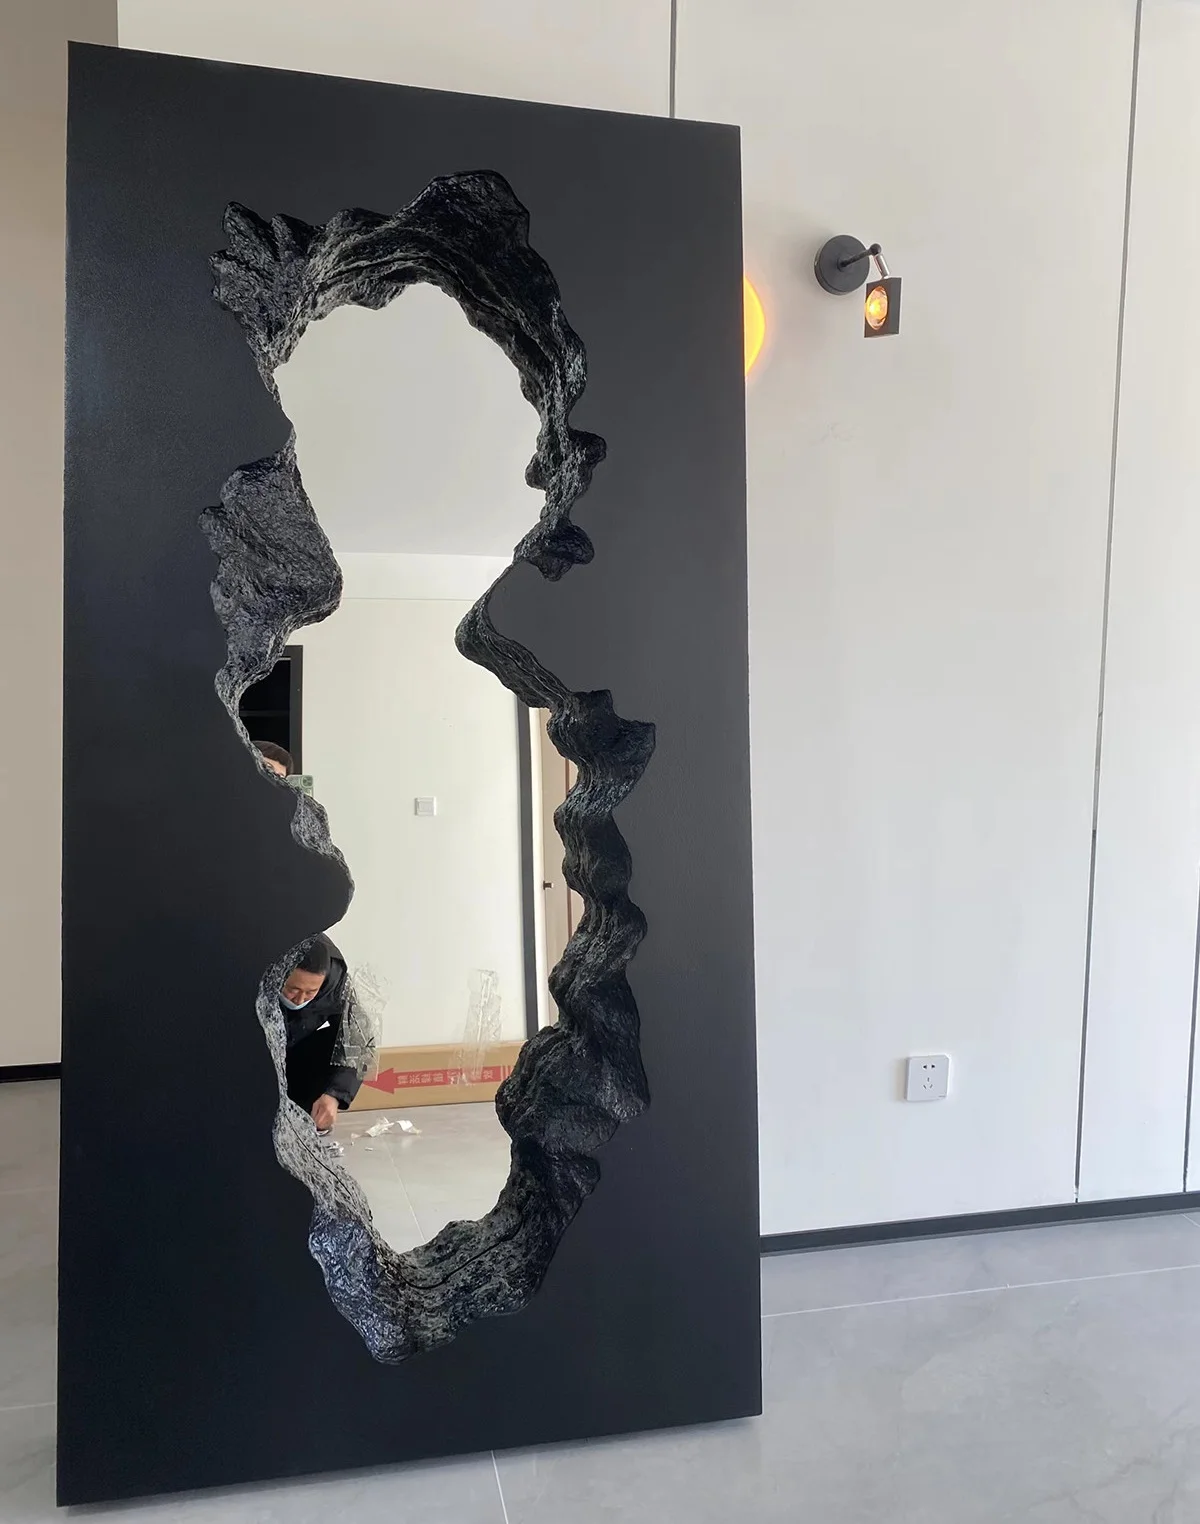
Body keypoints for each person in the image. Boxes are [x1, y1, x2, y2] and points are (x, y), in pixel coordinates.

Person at [280, 935, 364, 1131]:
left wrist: (335, 1095)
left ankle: (306, 1114)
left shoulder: (335, 982)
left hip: (293, 1059)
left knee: (343, 1040)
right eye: (293, 989)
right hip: (253, 1061)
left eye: (310, 992)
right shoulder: (256, 971)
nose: (300, 999)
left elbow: (357, 1039)